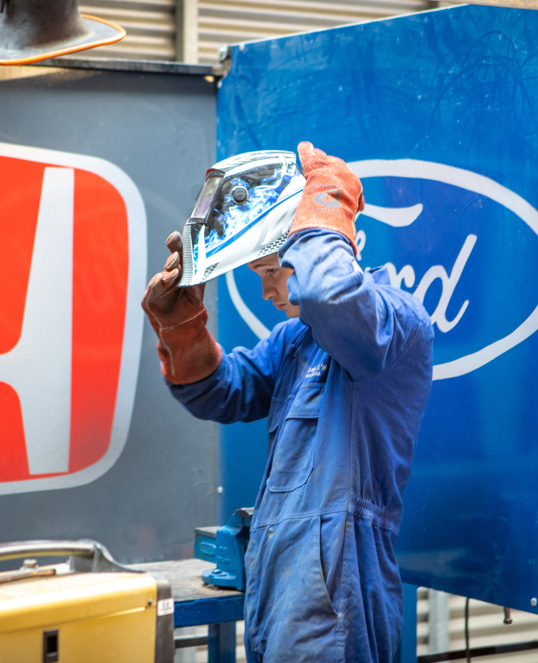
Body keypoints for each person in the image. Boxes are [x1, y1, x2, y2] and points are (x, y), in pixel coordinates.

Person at [141, 142, 434, 662]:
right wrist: (180, 323)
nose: (267, 292)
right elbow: (218, 392)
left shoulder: (394, 323)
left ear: (323, 247)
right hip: (281, 579)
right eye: (257, 275)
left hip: (339, 579)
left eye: (273, 271)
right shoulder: (295, 344)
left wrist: (323, 203)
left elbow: (329, 294)